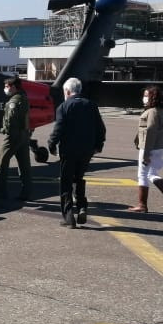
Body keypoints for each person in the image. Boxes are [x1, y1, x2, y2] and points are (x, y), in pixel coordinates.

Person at [47, 77, 106, 228]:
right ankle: (82, 207)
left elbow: (58, 129)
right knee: (79, 179)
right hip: (86, 150)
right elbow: (101, 128)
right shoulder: (91, 105)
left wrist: (51, 144)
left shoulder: (64, 107)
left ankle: (68, 216)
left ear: (67, 91)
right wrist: (99, 145)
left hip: (69, 150)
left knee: (66, 182)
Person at [127, 85, 163, 213]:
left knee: (142, 174)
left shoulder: (152, 112)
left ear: (153, 97)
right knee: (152, 173)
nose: (144, 98)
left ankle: (142, 205)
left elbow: (150, 131)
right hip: (161, 145)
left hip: (151, 146)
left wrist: (146, 153)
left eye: (146, 96)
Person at [0, 75, 32, 200]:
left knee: (1, 163)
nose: (5, 88)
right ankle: (26, 192)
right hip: (24, 134)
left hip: (13, 136)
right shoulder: (23, 97)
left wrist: (5, 130)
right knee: (24, 165)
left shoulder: (13, 102)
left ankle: (1, 192)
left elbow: (10, 120)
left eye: (7, 86)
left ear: (13, 87)